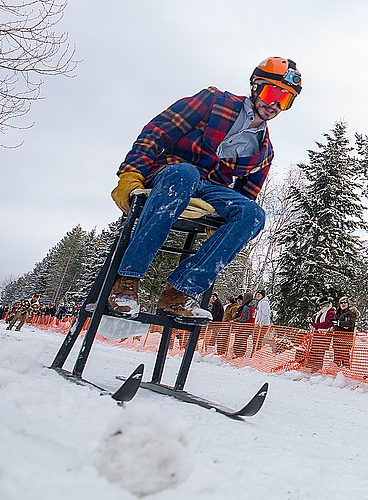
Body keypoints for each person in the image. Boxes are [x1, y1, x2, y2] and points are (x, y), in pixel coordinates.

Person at [105, 57, 302, 320]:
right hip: (173, 173)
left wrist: (225, 227)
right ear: (256, 87)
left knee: (253, 214)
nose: (275, 104)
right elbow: (158, 131)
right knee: (185, 174)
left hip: (211, 189)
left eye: (285, 100)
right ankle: (127, 281)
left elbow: (245, 196)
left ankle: (180, 291)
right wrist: (131, 172)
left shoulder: (264, 152)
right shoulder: (214, 102)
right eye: (272, 93)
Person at [307, 299, 336, 371]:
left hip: (324, 336)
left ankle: (316, 369)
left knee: (320, 352)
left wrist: (314, 324)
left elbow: (326, 324)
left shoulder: (330, 312)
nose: (321, 307)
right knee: (314, 350)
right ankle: (310, 367)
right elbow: (319, 322)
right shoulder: (321, 312)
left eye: (322, 305)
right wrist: (312, 321)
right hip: (318, 335)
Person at [332, 296, 359, 369]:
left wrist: (339, 323)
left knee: (345, 354)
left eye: (345, 302)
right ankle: (335, 371)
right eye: (341, 303)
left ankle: (346, 371)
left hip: (346, 338)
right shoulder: (338, 313)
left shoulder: (350, 313)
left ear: (348, 304)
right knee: (337, 354)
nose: (343, 304)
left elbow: (350, 323)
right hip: (337, 337)